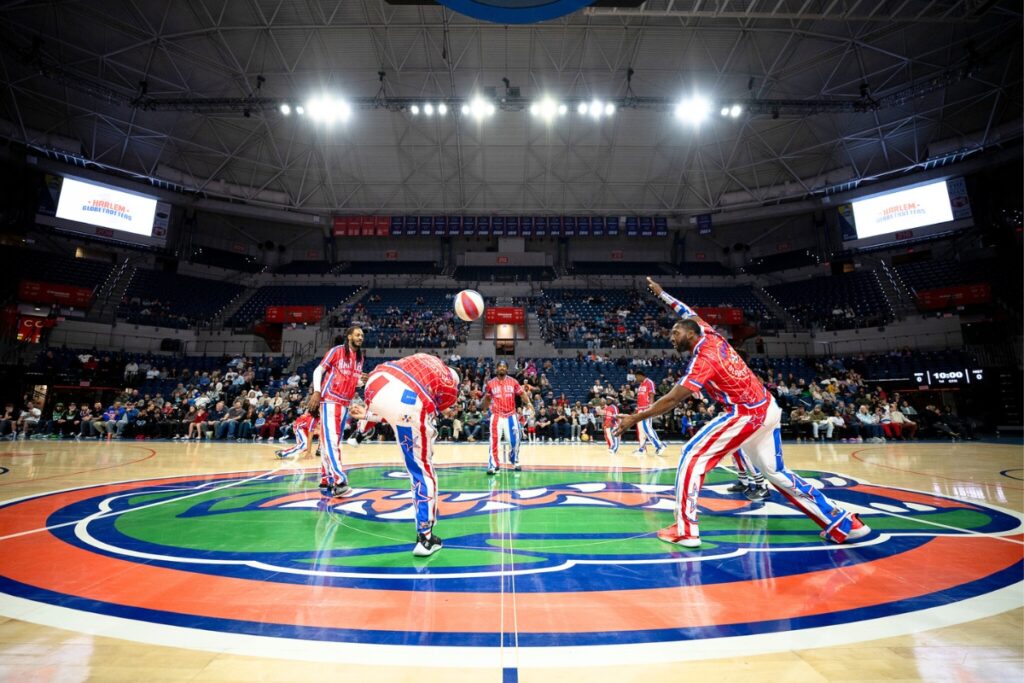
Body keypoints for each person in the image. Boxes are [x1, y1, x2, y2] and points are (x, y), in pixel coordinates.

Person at [616, 278, 871, 548]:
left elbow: (672, 399)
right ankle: (843, 522)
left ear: (690, 335)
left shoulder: (705, 358)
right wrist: (662, 294)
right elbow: (685, 311)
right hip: (767, 406)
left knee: (692, 455)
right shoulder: (708, 331)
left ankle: (686, 530)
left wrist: (634, 417)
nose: (671, 337)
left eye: (675, 333)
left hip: (747, 412)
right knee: (777, 473)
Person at [350, 353, 461, 557]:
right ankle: (425, 538)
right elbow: (433, 409)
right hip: (408, 399)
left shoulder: (426, 358)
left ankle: (361, 430)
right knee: (422, 470)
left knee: (397, 413)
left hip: (376, 384)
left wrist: (370, 413)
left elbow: (393, 403)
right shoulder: (450, 384)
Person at [308, 326, 366, 498]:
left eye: (362, 335)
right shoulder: (337, 351)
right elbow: (318, 370)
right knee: (333, 442)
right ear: (349, 336)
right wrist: (317, 392)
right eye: (357, 334)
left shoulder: (360, 357)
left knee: (330, 443)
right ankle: (339, 481)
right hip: (330, 401)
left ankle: (326, 478)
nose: (360, 337)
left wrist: (362, 381)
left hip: (345, 404)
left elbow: (353, 382)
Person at [479, 360, 532, 475]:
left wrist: (529, 404)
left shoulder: (513, 382)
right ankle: (493, 464)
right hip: (496, 415)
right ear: (496, 369)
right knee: (494, 441)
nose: (502, 368)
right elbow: (487, 398)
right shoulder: (490, 383)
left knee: (514, 441)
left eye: (504, 366)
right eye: (500, 366)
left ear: (507, 369)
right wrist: (484, 408)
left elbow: (522, 394)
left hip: (510, 415)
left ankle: (514, 458)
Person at [632, 368, 666, 456]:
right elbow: (640, 398)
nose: (636, 379)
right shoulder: (640, 385)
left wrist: (651, 407)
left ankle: (660, 445)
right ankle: (642, 449)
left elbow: (651, 394)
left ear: (640, 376)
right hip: (640, 409)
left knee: (647, 428)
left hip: (646, 409)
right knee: (640, 430)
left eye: (636, 377)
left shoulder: (649, 382)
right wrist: (637, 409)